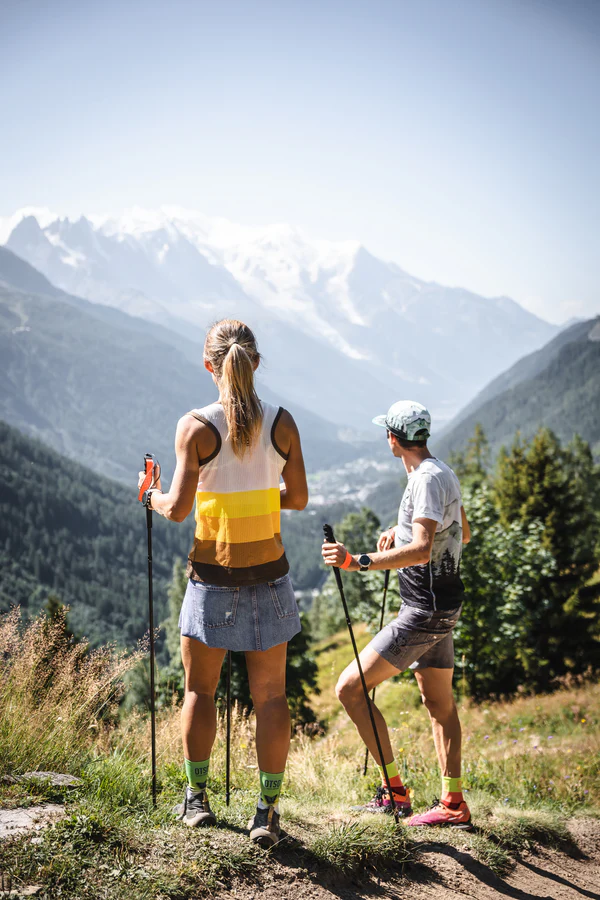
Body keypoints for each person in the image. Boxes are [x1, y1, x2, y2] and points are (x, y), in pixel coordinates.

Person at [138, 319, 308, 847]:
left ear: (209, 365)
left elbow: (178, 509)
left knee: (199, 691)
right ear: (256, 363)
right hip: (270, 578)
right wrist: (257, 495)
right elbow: (297, 498)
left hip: (213, 579)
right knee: (272, 698)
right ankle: (267, 811)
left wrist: (150, 494)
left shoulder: (195, 427)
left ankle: (197, 802)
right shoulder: (283, 423)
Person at [322, 400, 472, 829]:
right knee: (439, 703)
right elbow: (459, 528)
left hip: (423, 610)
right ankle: (453, 803)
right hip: (444, 604)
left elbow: (424, 548)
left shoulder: (424, 480)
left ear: (393, 437)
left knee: (349, 688)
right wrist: (401, 531)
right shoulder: (440, 472)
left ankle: (395, 793)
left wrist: (357, 561)